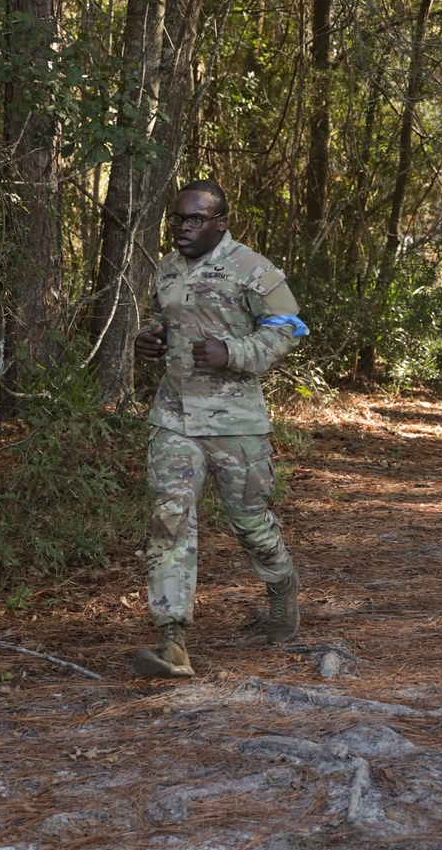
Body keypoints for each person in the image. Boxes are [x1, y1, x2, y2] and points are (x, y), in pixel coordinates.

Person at [131, 179, 309, 679]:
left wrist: (234, 353)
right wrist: (152, 338)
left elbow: (290, 326)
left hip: (234, 422)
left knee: (249, 521)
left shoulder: (251, 268)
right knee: (169, 518)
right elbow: (171, 318)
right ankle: (172, 639)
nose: (183, 228)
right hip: (173, 416)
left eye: (195, 220)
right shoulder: (168, 266)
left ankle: (281, 585)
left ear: (221, 222)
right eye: (178, 219)